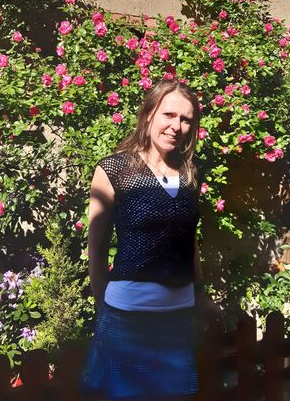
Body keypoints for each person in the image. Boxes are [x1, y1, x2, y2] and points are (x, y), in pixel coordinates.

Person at [81, 79, 214, 401]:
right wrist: (103, 307)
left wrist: (202, 296)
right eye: (169, 115)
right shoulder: (114, 170)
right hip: (127, 316)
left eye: (186, 119)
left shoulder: (191, 172)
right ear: (149, 114)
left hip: (178, 317)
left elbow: (190, 244)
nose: (176, 126)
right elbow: (96, 249)